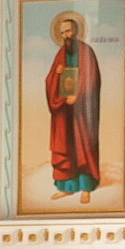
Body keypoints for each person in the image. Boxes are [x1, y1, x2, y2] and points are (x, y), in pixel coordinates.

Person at [43, 11, 103, 202]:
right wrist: (57, 74)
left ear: (75, 31)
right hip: (64, 110)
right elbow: (50, 80)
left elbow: (92, 79)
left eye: (68, 31)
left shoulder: (86, 52)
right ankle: (67, 187)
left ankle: (86, 187)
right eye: (62, 33)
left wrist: (77, 96)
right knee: (66, 146)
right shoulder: (60, 54)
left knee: (83, 146)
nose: (65, 36)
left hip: (81, 112)